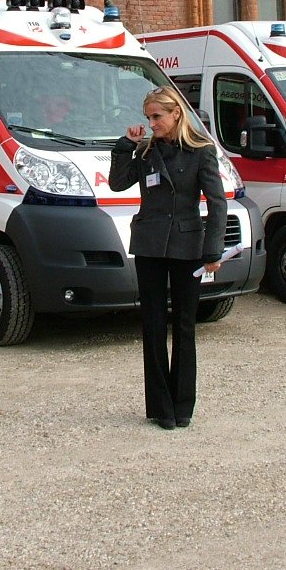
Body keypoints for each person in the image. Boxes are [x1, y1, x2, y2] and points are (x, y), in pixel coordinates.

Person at [109, 85, 227, 429]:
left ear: (176, 113)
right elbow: (117, 183)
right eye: (148, 117)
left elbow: (217, 202)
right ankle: (161, 409)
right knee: (153, 325)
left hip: (188, 246)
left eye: (157, 116)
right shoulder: (146, 151)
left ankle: (183, 407)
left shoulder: (202, 151)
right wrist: (125, 146)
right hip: (149, 245)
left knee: (185, 326)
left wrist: (213, 250)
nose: (152, 123)